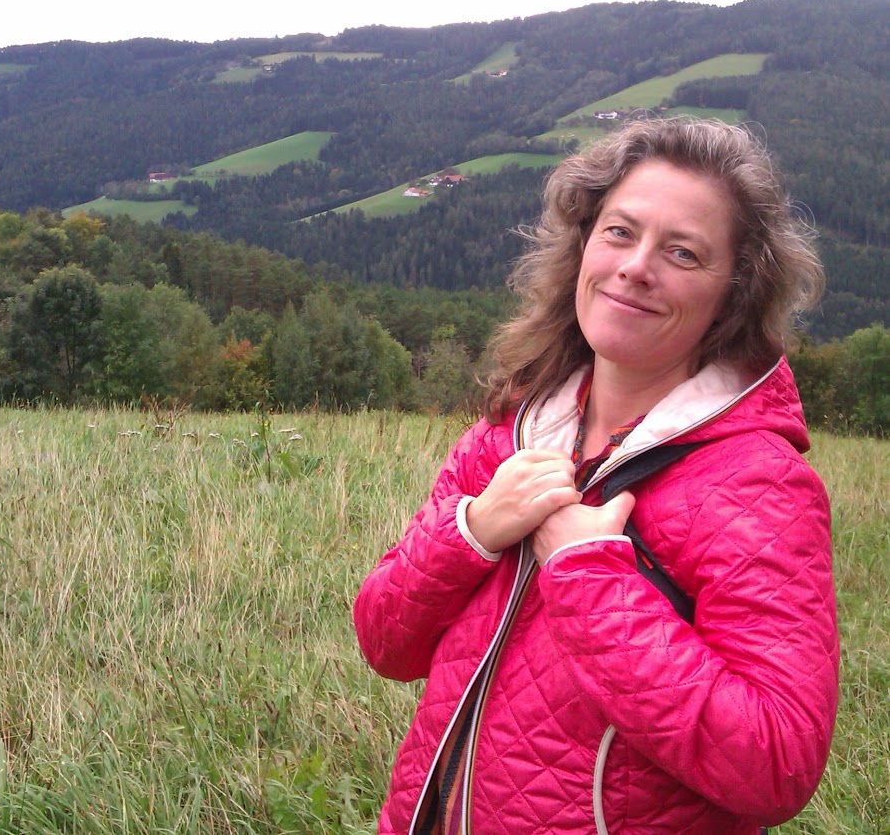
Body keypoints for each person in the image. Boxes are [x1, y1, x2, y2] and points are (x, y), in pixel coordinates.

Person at [353, 117, 839, 834]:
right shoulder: (508, 435)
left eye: (682, 252)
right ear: (583, 244)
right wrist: (472, 530)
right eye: (619, 231)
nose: (636, 266)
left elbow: (776, 764)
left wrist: (592, 576)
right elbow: (385, 643)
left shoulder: (757, 486)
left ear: (733, 295)